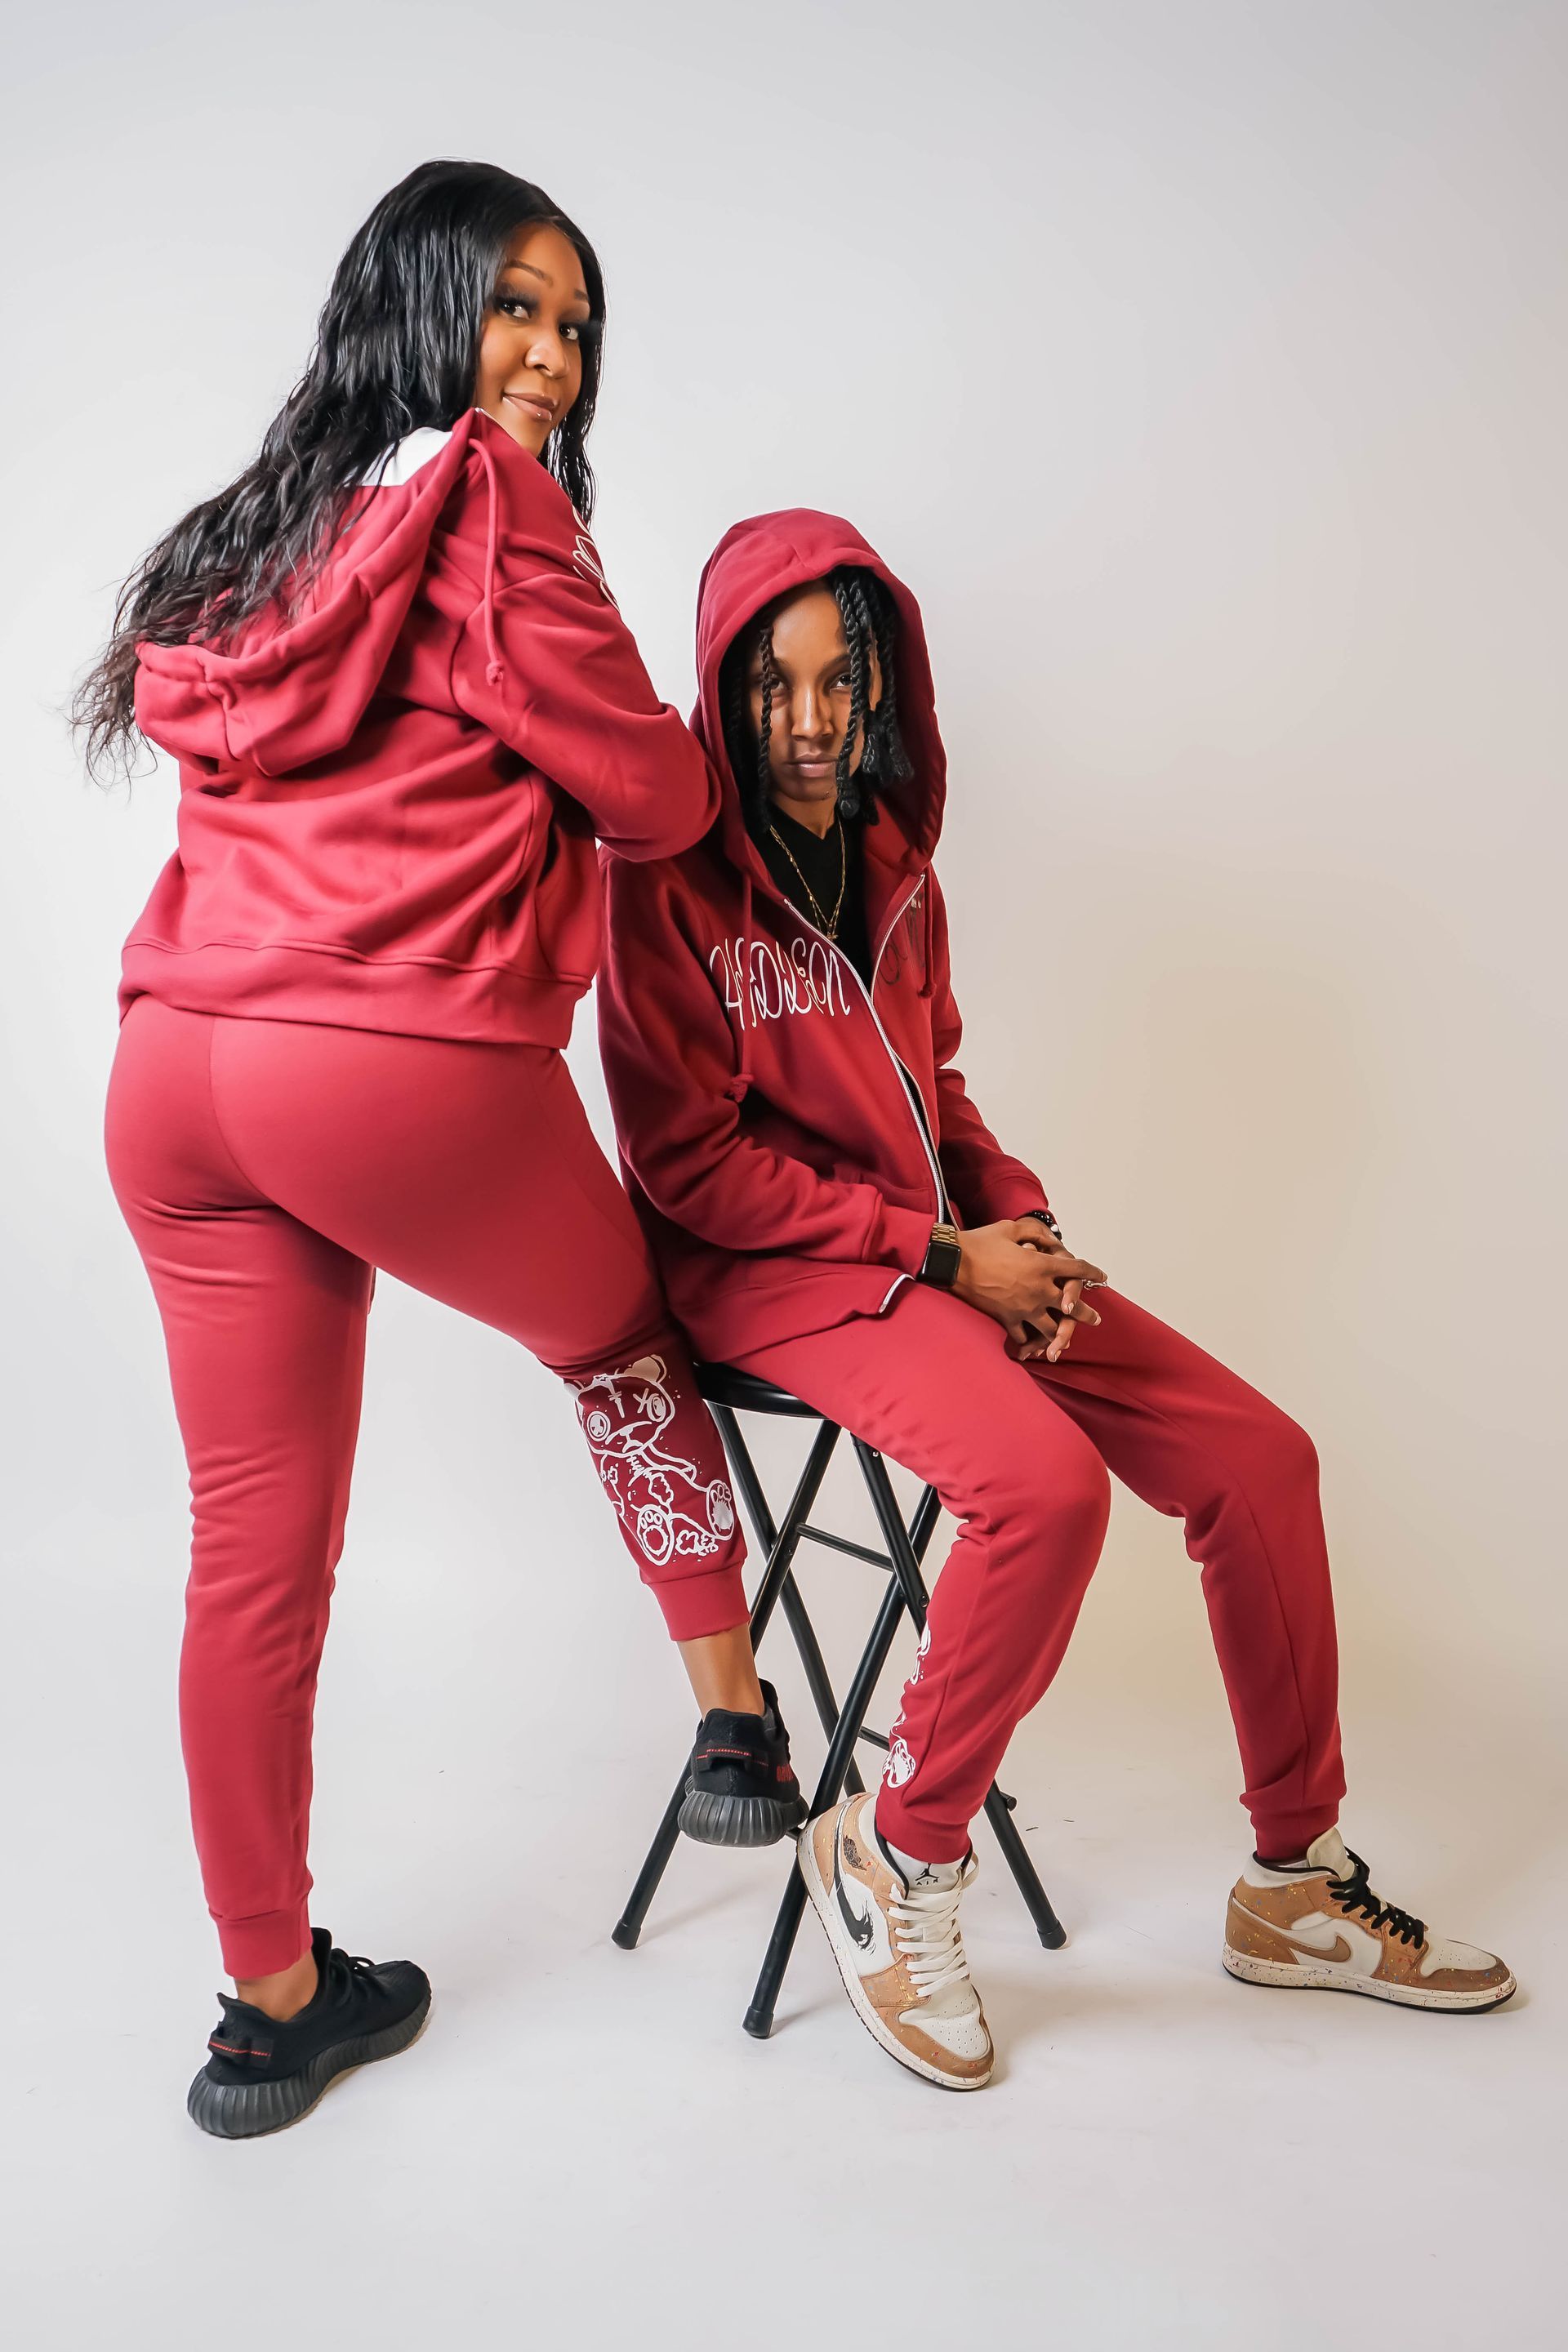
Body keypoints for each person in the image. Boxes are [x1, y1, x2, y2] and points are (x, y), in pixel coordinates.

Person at [595, 510, 1516, 2092]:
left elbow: (935, 1094)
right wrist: (944, 1258)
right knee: (1044, 1489)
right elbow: (691, 1168)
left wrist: (1015, 1222)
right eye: (769, 686)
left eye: (837, 684)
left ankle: (1293, 1880)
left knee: (1261, 1460)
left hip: (926, 1249)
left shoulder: (896, 869)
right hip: (763, 1278)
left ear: (880, 690)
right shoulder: (667, 884)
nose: (807, 722)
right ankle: (896, 1851)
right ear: (722, 689)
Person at [78, 160, 765, 2138]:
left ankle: (269, 2007)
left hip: (177, 1070)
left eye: (576, 324)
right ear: (422, 307)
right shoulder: (487, 504)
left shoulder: (261, 527)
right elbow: (654, 799)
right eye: (516, 308)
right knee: (621, 1340)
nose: (551, 357)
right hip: (386, 1063)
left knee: (248, 1551)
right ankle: (735, 1724)